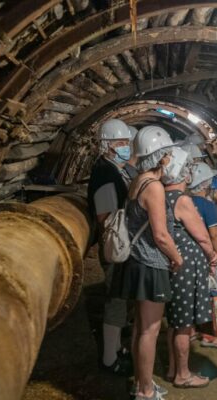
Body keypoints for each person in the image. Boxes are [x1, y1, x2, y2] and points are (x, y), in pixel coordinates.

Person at [122, 125, 185, 400]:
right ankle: (146, 391)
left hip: (136, 262)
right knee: (150, 330)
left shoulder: (137, 181)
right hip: (151, 264)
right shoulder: (155, 187)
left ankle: (141, 382)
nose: (170, 158)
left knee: (139, 327)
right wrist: (176, 257)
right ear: (160, 157)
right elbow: (160, 235)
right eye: (168, 153)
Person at [162, 156, 217, 389]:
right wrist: (212, 255)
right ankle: (183, 374)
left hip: (174, 264)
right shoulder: (182, 199)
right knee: (184, 323)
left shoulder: (162, 196)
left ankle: (172, 368)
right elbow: (203, 236)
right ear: (183, 174)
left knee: (175, 321)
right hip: (186, 267)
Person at [86, 118, 136, 375]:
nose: (126, 146)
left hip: (120, 244)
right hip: (115, 247)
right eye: (120, 143)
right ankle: (109, 359)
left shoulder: (114, 169)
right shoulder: (105, 173)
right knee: (116, 300)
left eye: (127, 142)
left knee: (120, 298)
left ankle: (116, 349)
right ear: (106, 145)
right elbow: (105, 217)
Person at [188, 162, 217, 348]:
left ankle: (191, 330)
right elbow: (214, 235)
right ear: (205, 183)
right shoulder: (208, 206)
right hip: (207, 258)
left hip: (188, 258)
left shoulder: (183, 202)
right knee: (215, 297)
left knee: (191, 295)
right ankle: (216, 336)